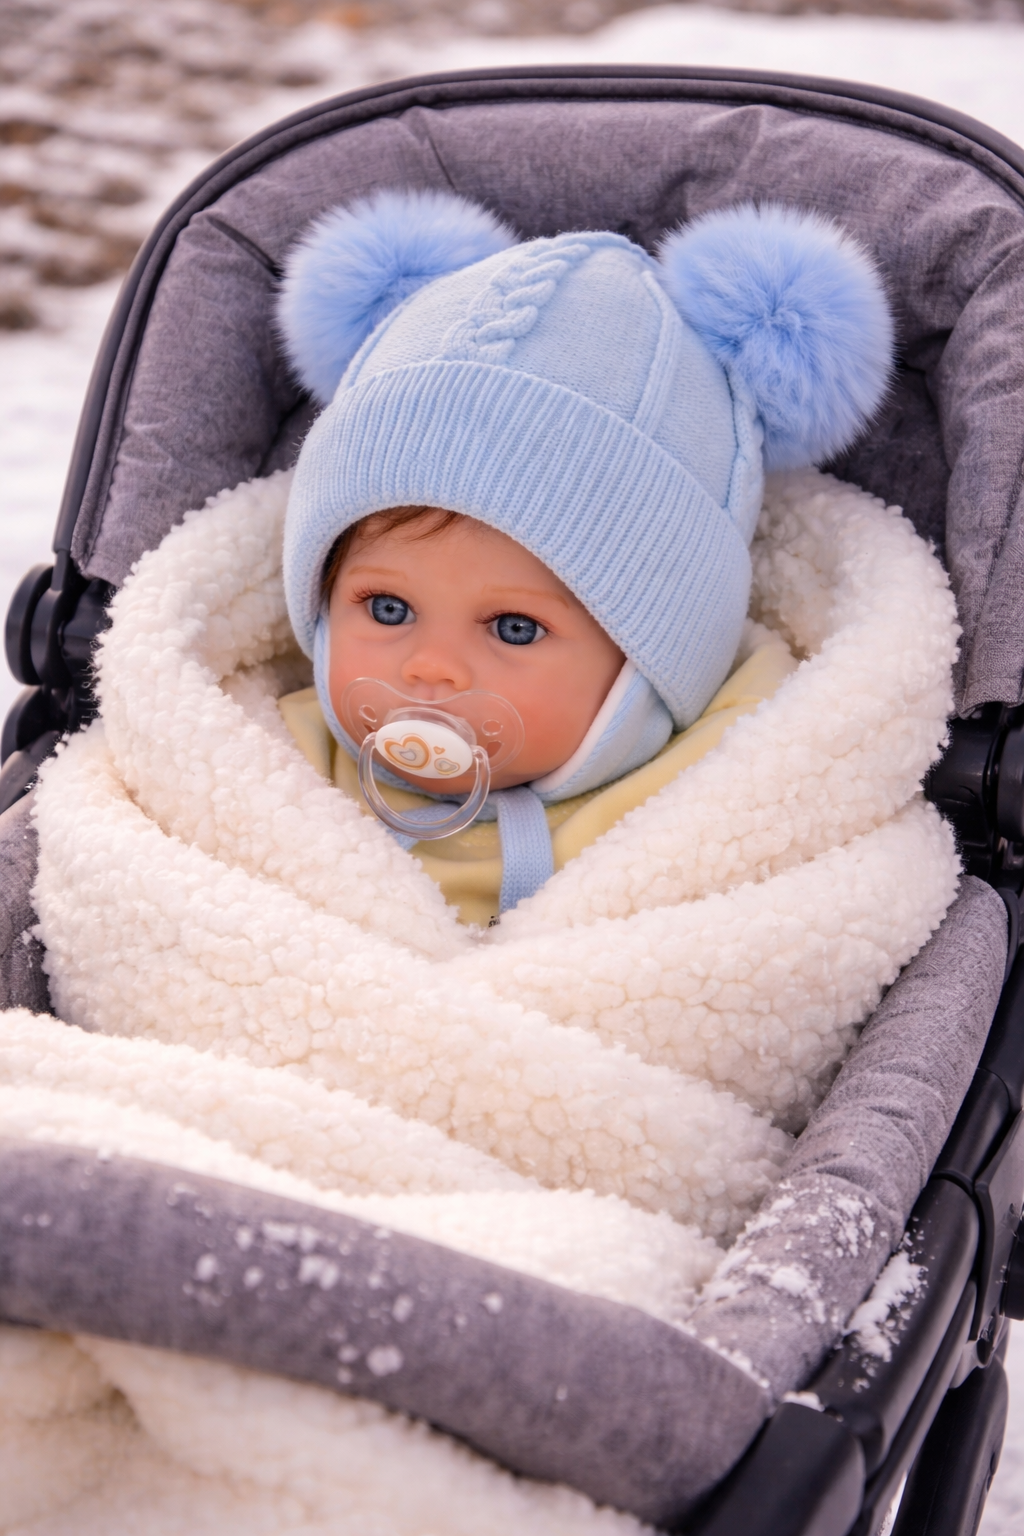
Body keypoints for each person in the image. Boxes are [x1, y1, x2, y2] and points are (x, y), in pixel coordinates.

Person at [275, 188, 893, 926]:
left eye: (514, 628)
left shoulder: (738, 795)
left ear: (651, 663)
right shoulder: (266, 767)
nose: (429, 668)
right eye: (387, 609)